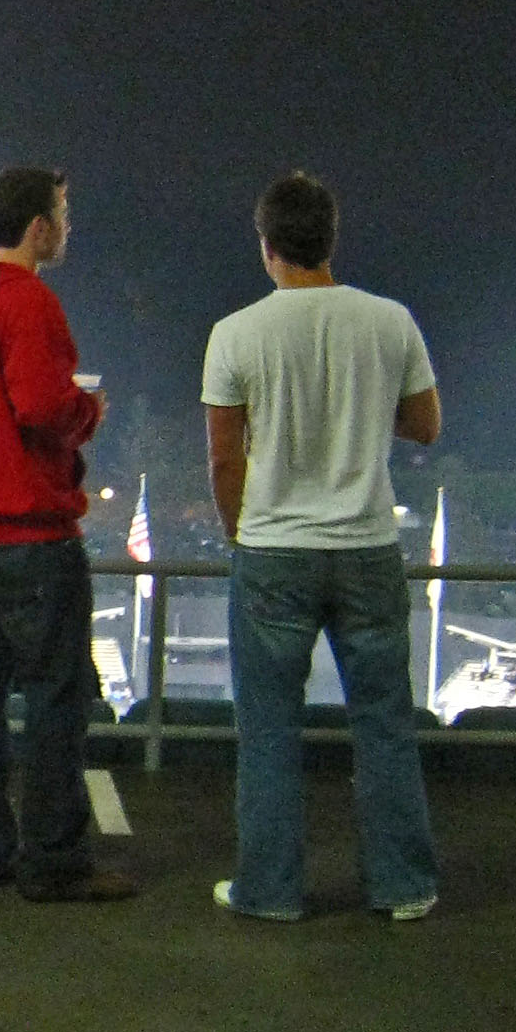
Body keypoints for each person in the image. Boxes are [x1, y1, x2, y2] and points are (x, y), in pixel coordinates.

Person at [202, 169, 444, 923]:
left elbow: (223, 458)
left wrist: (244, 532)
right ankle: (404, 886)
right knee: (383, 724)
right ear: (330, 240)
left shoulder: (236, 333)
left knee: (269, 730)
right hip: (367, 545)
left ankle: (271, 890)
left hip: (274, 549)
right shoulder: (390, 321)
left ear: (267, 245)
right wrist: (364, 413)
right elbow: (427, 425)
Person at [0, 163, 133, 901]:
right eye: (64, 215)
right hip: (34, 539)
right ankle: (53, 862)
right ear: (38, 227)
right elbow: (43, 406)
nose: (69, 228)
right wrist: (90, 414)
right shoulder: (29, 304)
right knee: (53, 703)